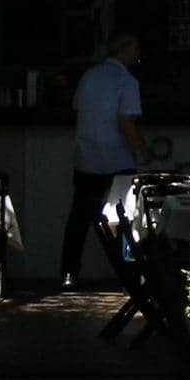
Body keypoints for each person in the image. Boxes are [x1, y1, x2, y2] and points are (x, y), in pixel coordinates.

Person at [59, 33, 149, 289]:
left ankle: (69, 271)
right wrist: (143, 150)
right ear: (125, 49)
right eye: (135, 48)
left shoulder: (90, 76)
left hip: (87, 157)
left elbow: (78, 108)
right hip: (117, 159)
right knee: (125, 217)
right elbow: (126, 121)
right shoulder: (127, 82)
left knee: (79, 217)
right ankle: (128, 273)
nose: (138, 54)